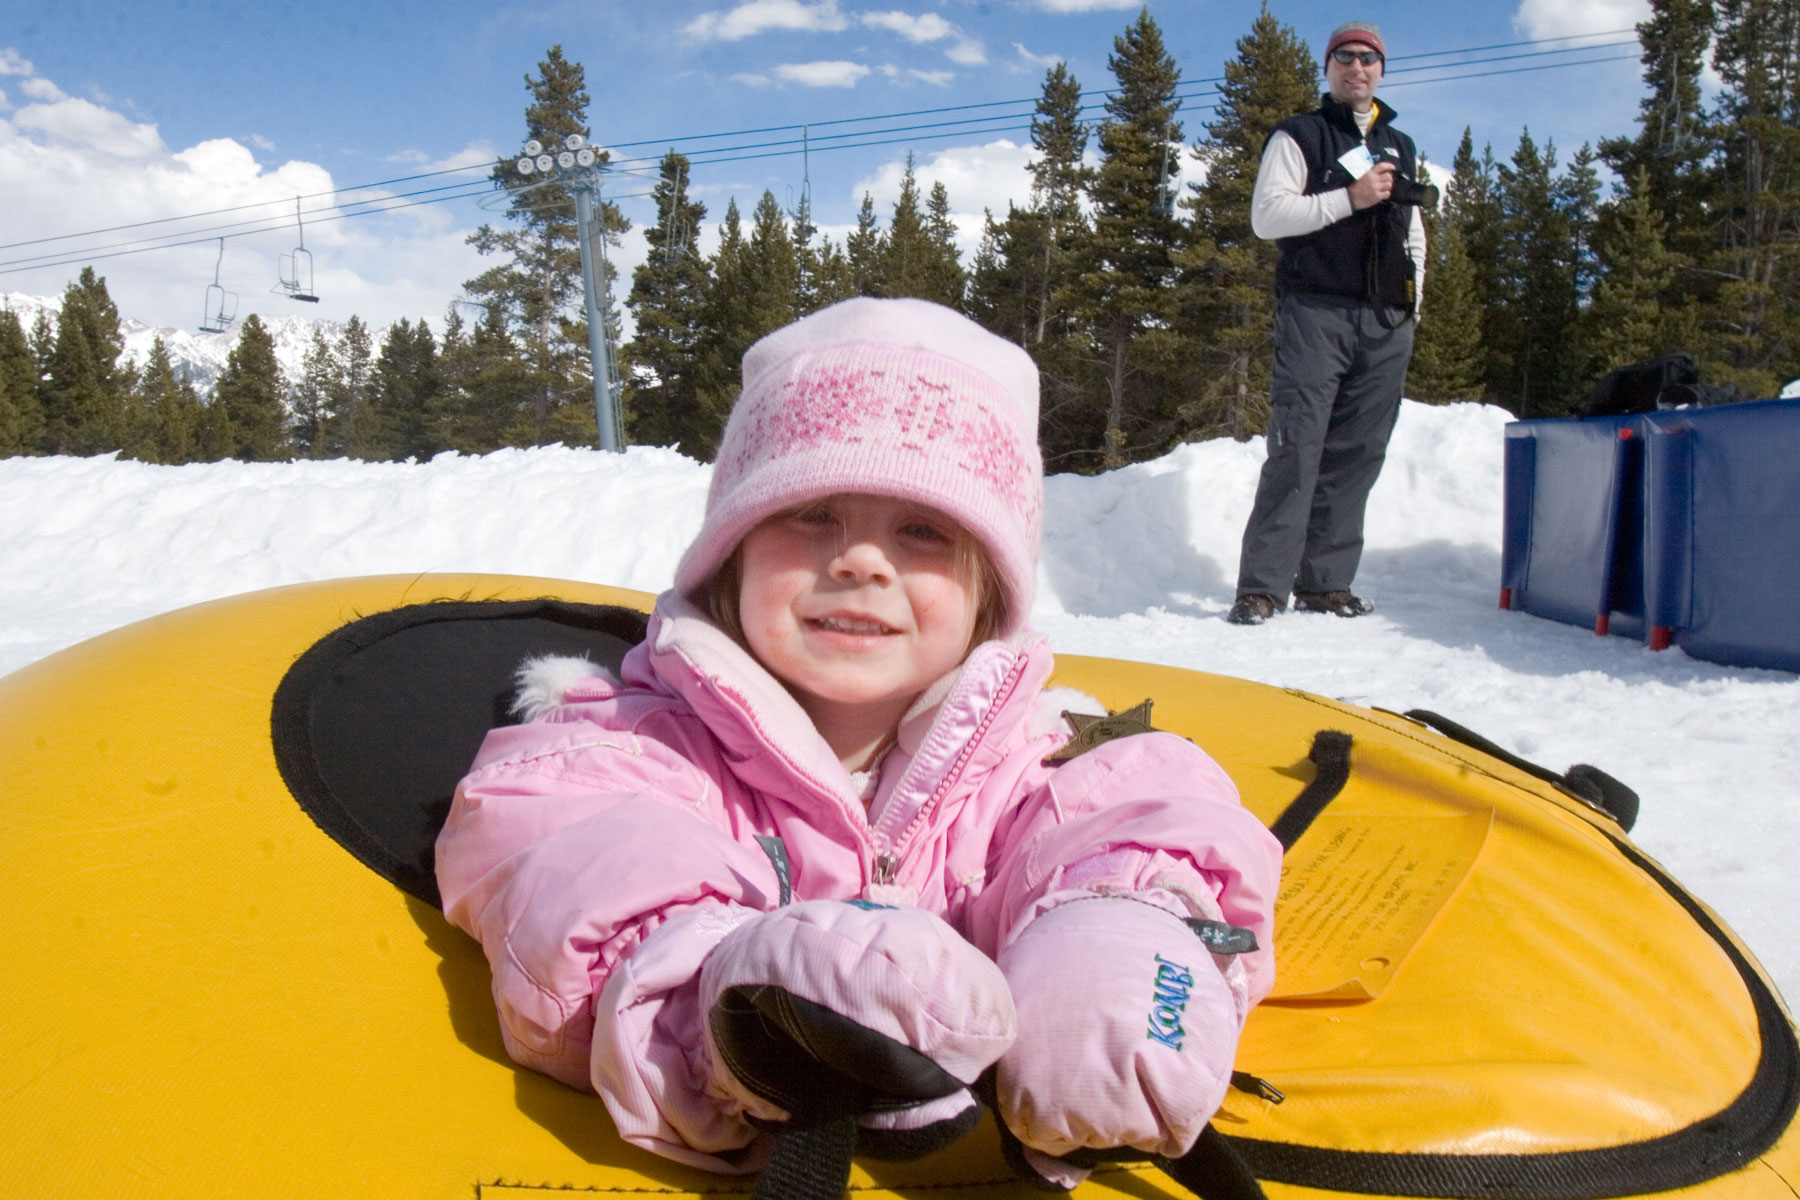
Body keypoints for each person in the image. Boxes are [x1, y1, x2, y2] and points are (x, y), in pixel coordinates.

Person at [435, 297, 1281, 1195]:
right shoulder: (630, 745)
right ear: (732, 557)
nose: (861, 562)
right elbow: (582, 861)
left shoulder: (1030, 761)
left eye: (921, 531)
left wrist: (1122, 927)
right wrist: (744, 1000)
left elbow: (1136, 813)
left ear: (988, 590)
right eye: (813, 516)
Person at [1228, 20, 1427, 626]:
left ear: (1381, 71)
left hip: (1385, 320)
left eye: (1369, 59)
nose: (1357, 67)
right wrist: (1351, 197)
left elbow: (1414, 229)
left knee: (1358, 454)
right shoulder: (1299, 136)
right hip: (1316, 311)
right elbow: (1269, 216)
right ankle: (1261, 588)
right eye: (1345, 57)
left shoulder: (1400, 145)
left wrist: (1414, 296)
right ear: (1329, 68)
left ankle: (1325, 584)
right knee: (1296, 447)